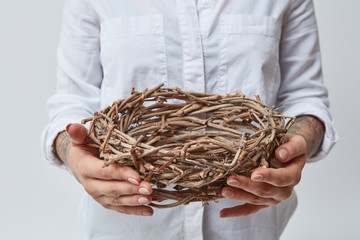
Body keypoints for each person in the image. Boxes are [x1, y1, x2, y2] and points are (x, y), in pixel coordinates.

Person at [41, 0, 338, 239]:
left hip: (249, 225)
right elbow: (71, 103)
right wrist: (74, 155)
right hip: (126, 226)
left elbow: (305, 97)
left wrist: (297, 145)